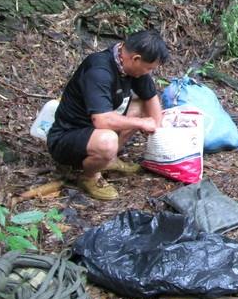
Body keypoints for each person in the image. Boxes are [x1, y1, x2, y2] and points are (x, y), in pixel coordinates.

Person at [47, 30, 170, 200]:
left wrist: (158, 127)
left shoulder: (132, 67)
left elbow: (150, 99)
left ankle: (109, 160)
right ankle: (89, 177)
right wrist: (141, 123)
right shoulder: (99, 71)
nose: (148, 73)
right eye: (148, 68)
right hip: (68, 137)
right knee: (107, 141)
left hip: (98, 131)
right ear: (136, 58)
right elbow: (102, 121)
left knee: (141, 106)